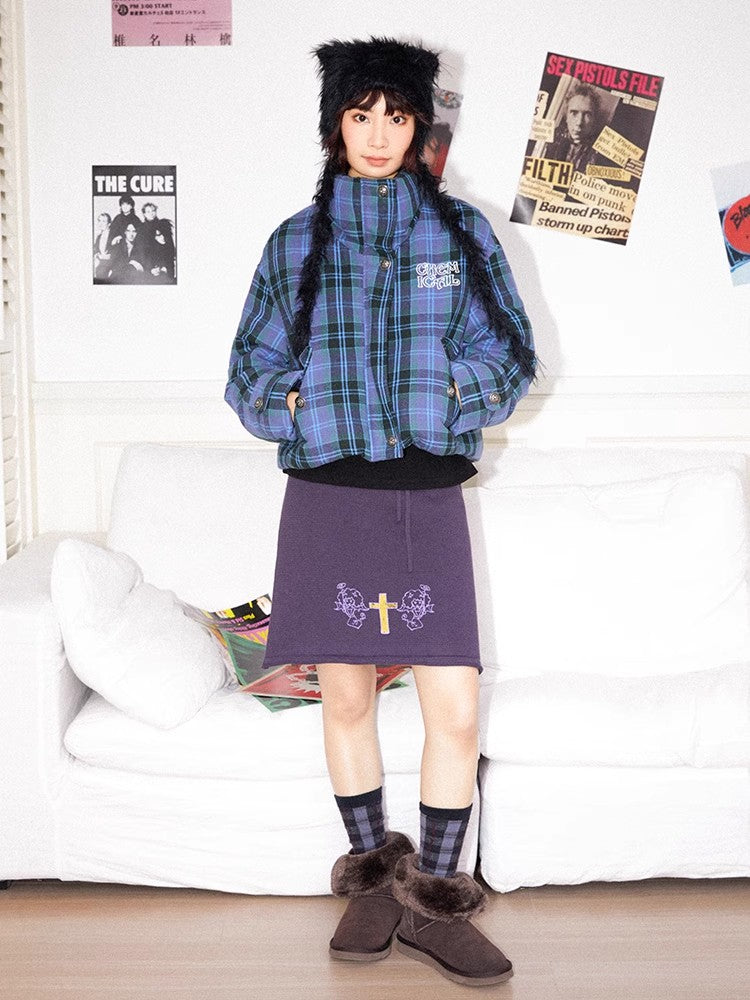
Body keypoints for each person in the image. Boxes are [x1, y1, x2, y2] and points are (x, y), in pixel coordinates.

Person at [224, 35, 540, 988]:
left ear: (418, 126)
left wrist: (450, 392)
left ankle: (435, 904)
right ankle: (371, 882)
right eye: (359, 115)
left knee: (455, 707)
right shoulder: (295, 241)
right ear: (336, 124)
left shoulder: (463, 234)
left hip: (426, 496)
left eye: (395, 116)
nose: (376, 134)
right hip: (328, 497)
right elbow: (248, 370)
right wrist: (295, 403)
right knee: (349, 697)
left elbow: (511, 355)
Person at [545, 81, 604, 173]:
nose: (579, 122)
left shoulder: (600, 151)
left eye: (587, 114)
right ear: (566, 117)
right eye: (574, 113)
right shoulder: (554, 136)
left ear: (594, 119)